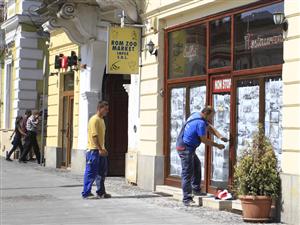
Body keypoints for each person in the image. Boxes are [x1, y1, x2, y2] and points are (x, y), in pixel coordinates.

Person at [177, 106, 229, 206]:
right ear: (206, 114)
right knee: (187, 172)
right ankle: (186, 198)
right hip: (185, 148)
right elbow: (204, 140)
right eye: (212, 116)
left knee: (197, 165)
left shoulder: (196, 115)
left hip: (187, 146)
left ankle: (196, 189)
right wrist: (217, 145)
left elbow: (210, 127)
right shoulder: (200, 123)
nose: (212, 118)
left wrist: (220, 136)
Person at [82, 101, 111, 199]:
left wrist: (103, 149)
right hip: (93, 151)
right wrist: (100, 149)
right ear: (100, 108)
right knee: (91, 172)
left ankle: (101, 192)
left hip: (100, 150)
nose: (107, 111)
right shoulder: (94, 120)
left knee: (101, 173)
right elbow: (94, 136)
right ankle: (86, 193)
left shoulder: (101, 120)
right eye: (105, 109)